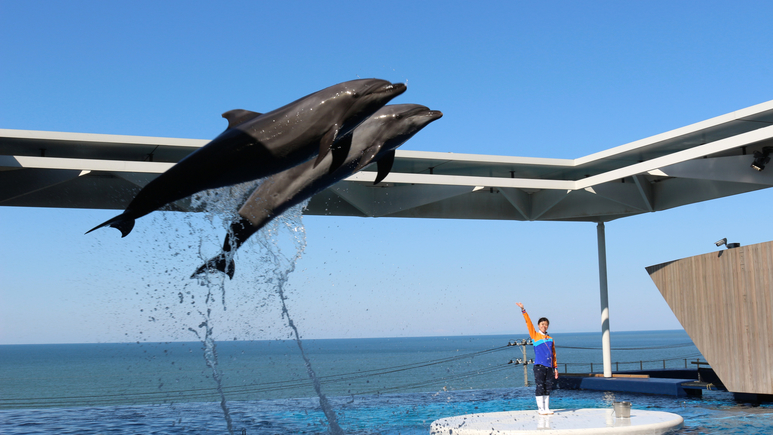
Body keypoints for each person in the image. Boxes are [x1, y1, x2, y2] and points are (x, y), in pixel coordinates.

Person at [516, 302, 558, 415]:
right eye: (542, 324)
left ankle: (547, 408)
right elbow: (528, 323)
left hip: (549, 367)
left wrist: (555, 367)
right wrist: (523, 310)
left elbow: (553, 354)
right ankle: (540, 409)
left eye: (546, 324)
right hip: (539, 366)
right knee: (540, 386)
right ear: (539, 325)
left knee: (548, 387)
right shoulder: (535, 335)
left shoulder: (550, 338)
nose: (544, 326)